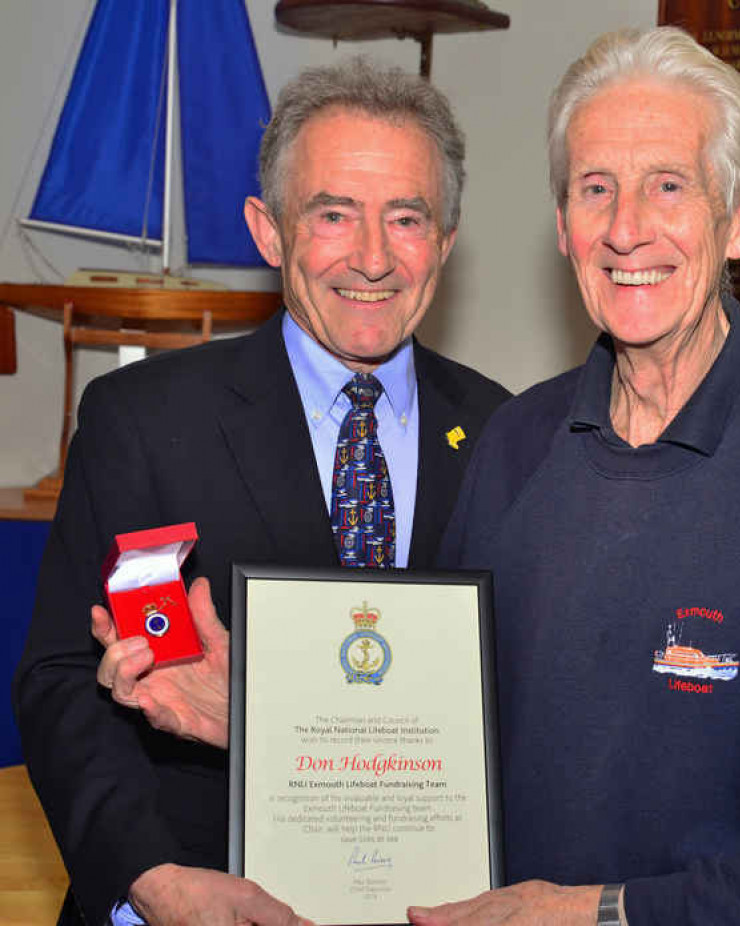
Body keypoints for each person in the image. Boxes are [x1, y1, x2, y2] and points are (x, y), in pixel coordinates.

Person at [410, 26, 740, 926]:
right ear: (561, 225)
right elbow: (428, 735)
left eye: (668, 185)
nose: (626, 229)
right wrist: (270, 710)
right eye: (595, 189)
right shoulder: (511, 444)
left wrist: (602, 913)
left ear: (739, 219)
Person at [13, 60, 509, 926]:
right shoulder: (147, 420)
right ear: (268, 231)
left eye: (406, 217)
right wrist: (151, 883)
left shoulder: (508, 434)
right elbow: (63, 679)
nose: (371, 257)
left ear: (447, 240)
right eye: (332, 214)